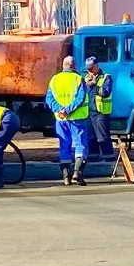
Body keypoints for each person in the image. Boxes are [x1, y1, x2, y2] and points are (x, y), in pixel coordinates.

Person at [46, 56, 89, 187]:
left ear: (63, 65)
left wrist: (60, 110)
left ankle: (65, 177)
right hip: (77, 118)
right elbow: (80, 98)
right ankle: (77, 172)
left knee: (64, 146)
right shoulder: (78, 79)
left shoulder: (54, 79)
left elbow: (49, 98)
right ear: (73, 65)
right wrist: (68, 110)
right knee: (80, 145)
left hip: (60, 119)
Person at [83, 56, 115, 161]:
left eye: (91, 68)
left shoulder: (106, 77)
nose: (89, 71)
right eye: (88, 69)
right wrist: (87, 84)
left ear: (97, 66)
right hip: (88, 112)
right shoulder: (85, 79)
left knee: (103, 137)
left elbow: (105, 92)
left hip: (100, 112)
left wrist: (94, 84)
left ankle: (109, 160)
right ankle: (93, 160)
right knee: (91, 138)